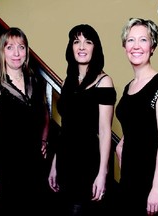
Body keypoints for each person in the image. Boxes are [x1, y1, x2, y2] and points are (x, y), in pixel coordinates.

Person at [0, 27, 51, 216]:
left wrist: (43, 140)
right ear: (2, 51)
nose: (16, 53)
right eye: (10, 47)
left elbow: (44, 113)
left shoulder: (34, 82)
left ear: (26, 51)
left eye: (21, 47)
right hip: (5, 169)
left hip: (33, 167)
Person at [48, 24, 117, 216]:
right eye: (76, 42)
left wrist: (102, 173)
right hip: (64, 163)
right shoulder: (67, 81)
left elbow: (104, 131)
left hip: (87, 163)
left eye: (88, 42)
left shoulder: (104, 81)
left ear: (95, 48)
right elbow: (65, 127)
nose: (81, 47)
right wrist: (54, 164)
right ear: (71, 47)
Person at [115, 18, 158, 215]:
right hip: (128, 178)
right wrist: (121, 144)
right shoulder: (128, 86)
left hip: (150, 181)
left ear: (153, 46)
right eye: (131, 40)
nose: (136, 46)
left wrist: (157, 188)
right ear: (124, 47)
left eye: (143, 40)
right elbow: (138, 123)